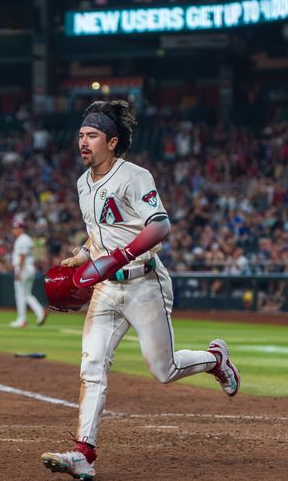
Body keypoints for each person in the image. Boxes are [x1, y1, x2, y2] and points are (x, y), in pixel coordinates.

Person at [40, 101, 240, 480]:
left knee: (163, 370)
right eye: (81, 135)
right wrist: (82, 254)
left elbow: (160, 225)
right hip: (105, 290)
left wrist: (119, 256)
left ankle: (215, 359)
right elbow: (101, 229)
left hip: (143, 282)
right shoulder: (83, 183)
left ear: (112, 142)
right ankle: (84, 453)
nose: (83, 142)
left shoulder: (135, 176)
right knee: (92, 367)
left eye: (92, 136)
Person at [9, 218, 47, 328]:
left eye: (16, 228)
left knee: (20, 295)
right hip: (29, 267)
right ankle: (40, 312)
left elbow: (22, 256)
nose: (14, 230)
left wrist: (19, 271)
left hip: (24, 268)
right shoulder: (27, 239)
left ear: (21, 229)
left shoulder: (22, 239)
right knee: (27, 295)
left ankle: (22, 320)